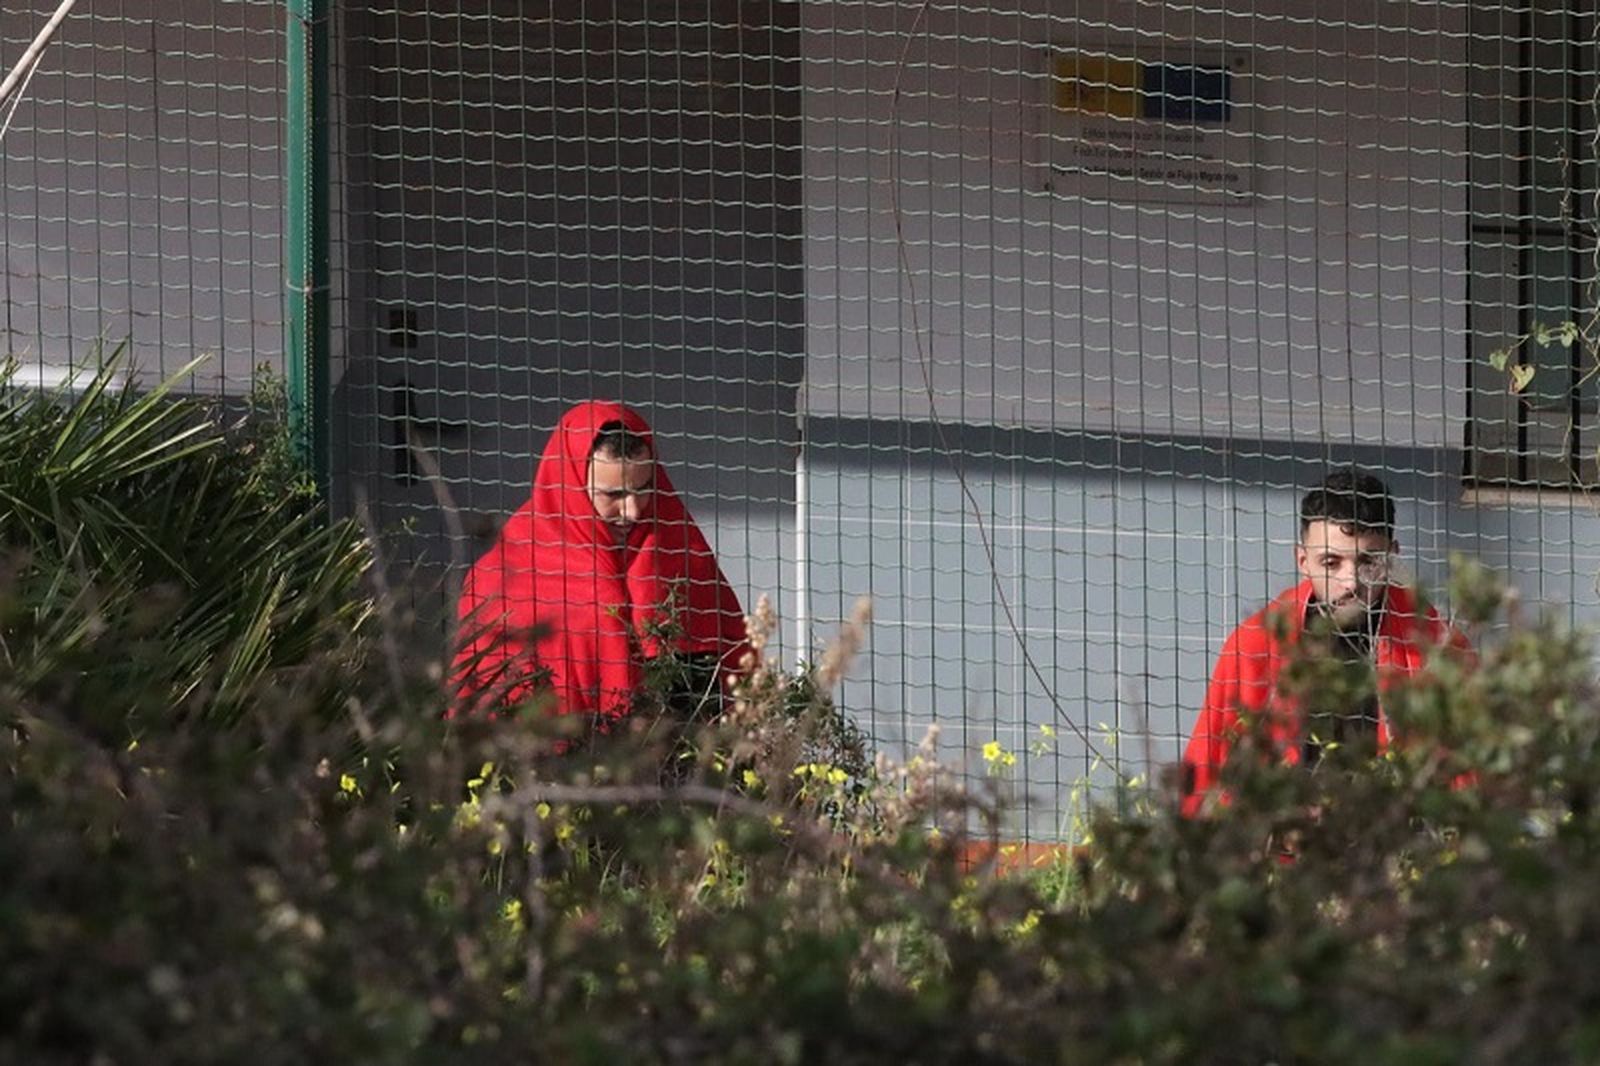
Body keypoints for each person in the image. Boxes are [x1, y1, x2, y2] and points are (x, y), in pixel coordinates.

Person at [1179, 470, 1463, 817]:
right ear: (1303, 561)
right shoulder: (1255, 645)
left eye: (1368, 562)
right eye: (1331, 562)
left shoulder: (1438, 648)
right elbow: (1203, 777)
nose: (1350, 582)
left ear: (1392, 556)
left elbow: (1469, 788)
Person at [453, 400, 750, 724]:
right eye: (613, 495)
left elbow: (726, 672)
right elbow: (478, 695)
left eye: (644, 489)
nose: (633, 511)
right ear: (572, 487)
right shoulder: (502, 574)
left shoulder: (681, 551)